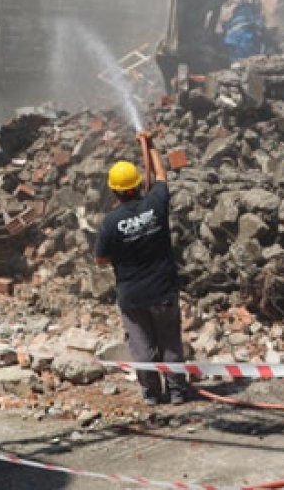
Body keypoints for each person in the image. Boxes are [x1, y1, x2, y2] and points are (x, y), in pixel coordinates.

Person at [94, 131, 193, 405]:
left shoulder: (111, 222)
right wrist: (150, 146)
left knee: (142, 348)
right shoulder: (155, 203)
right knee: (170, 341)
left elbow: (101, 259)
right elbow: (161, 175)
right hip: (163, 289)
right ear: (138, 185)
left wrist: (122, 254)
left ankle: (151, 394)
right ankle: (177, 392)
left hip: (132, 295)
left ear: (114, 191)